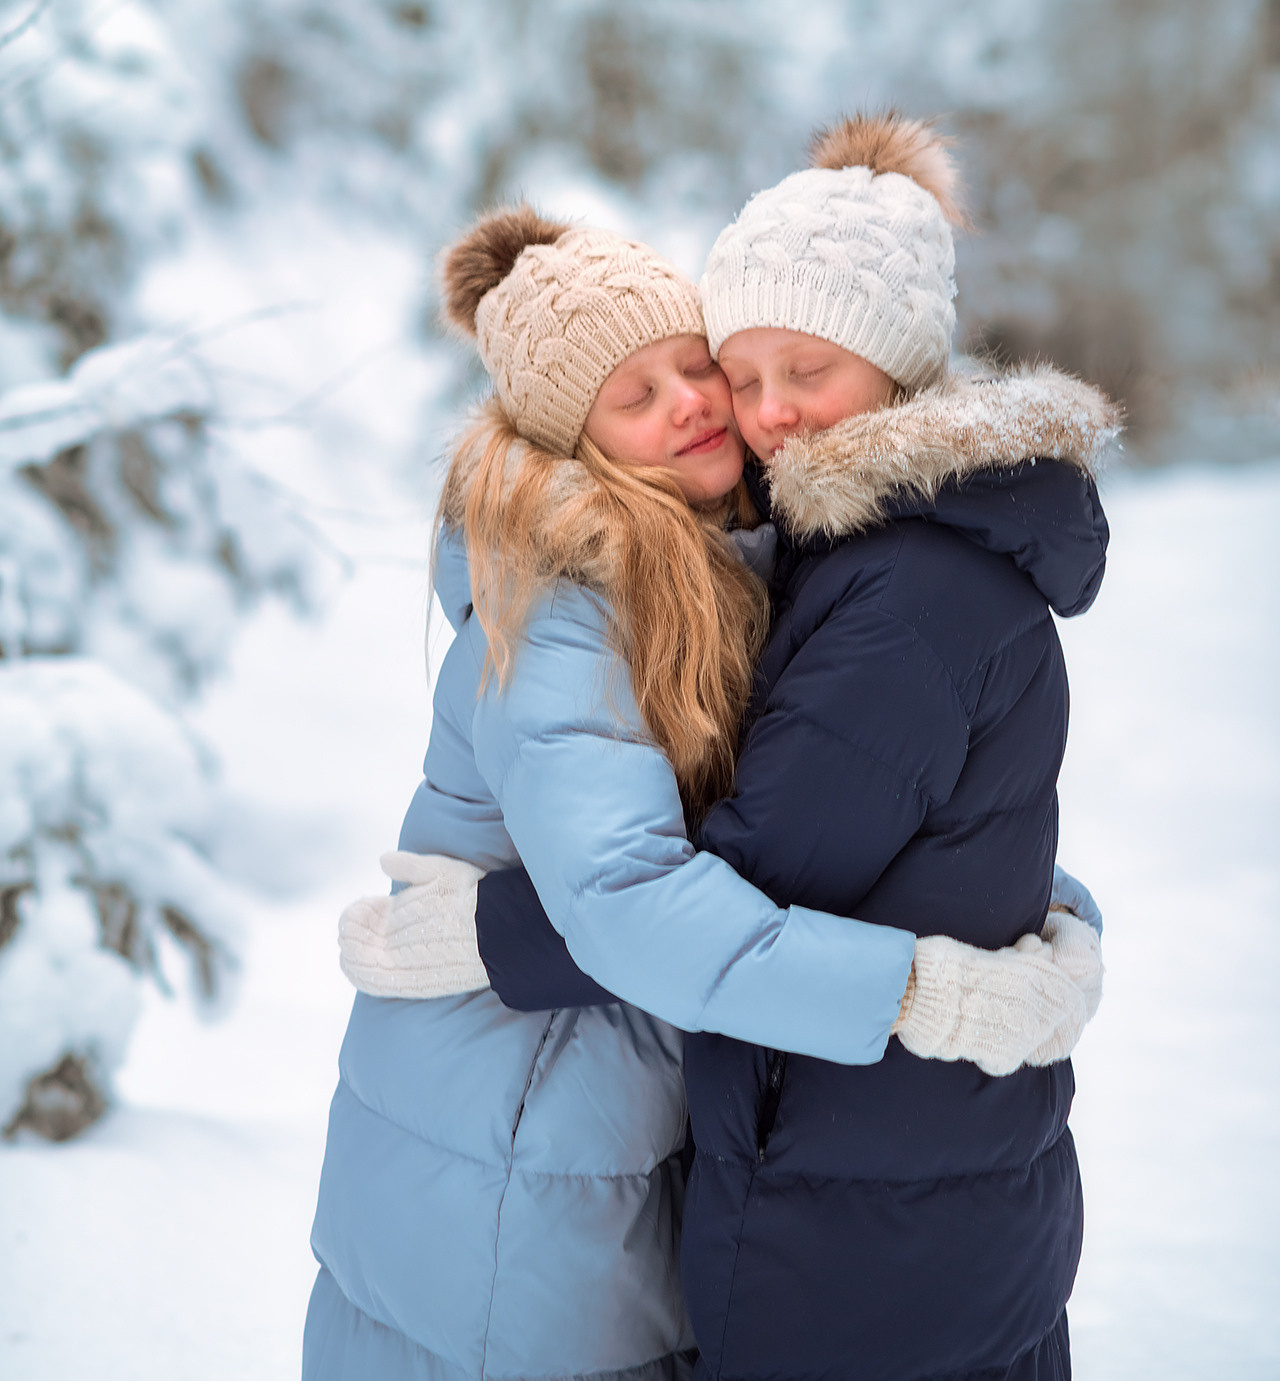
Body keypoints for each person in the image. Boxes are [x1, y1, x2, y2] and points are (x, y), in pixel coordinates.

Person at [307, 196, 1106, 1381]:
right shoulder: (567, 612)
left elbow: (849, 802)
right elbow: (633, 899)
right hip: (519, 1125)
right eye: (633, 396)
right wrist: (928, 992)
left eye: (694, 366)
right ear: (576, 443)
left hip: (639, 1092)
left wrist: (1042, 910)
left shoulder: (743, 564)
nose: (693, 402)